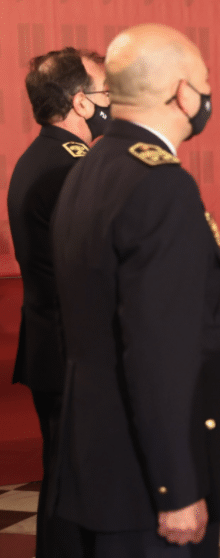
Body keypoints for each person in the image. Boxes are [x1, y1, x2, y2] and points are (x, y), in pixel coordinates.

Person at [50, 24, 220, 556]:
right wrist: (176, 487)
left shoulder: (91, 166)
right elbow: (159, 351)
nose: (207, 94)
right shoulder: (161, 184)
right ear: (183, 92)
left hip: (99, 463)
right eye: (204, 81)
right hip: (145, 483)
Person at [6, 46, 110, 558]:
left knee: (68, 478)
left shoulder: (43, 157)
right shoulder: (71, 167)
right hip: (76, 350)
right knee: (79, 483)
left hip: (57, 343)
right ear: (81, 103)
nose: (114, 102)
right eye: (107, 91)